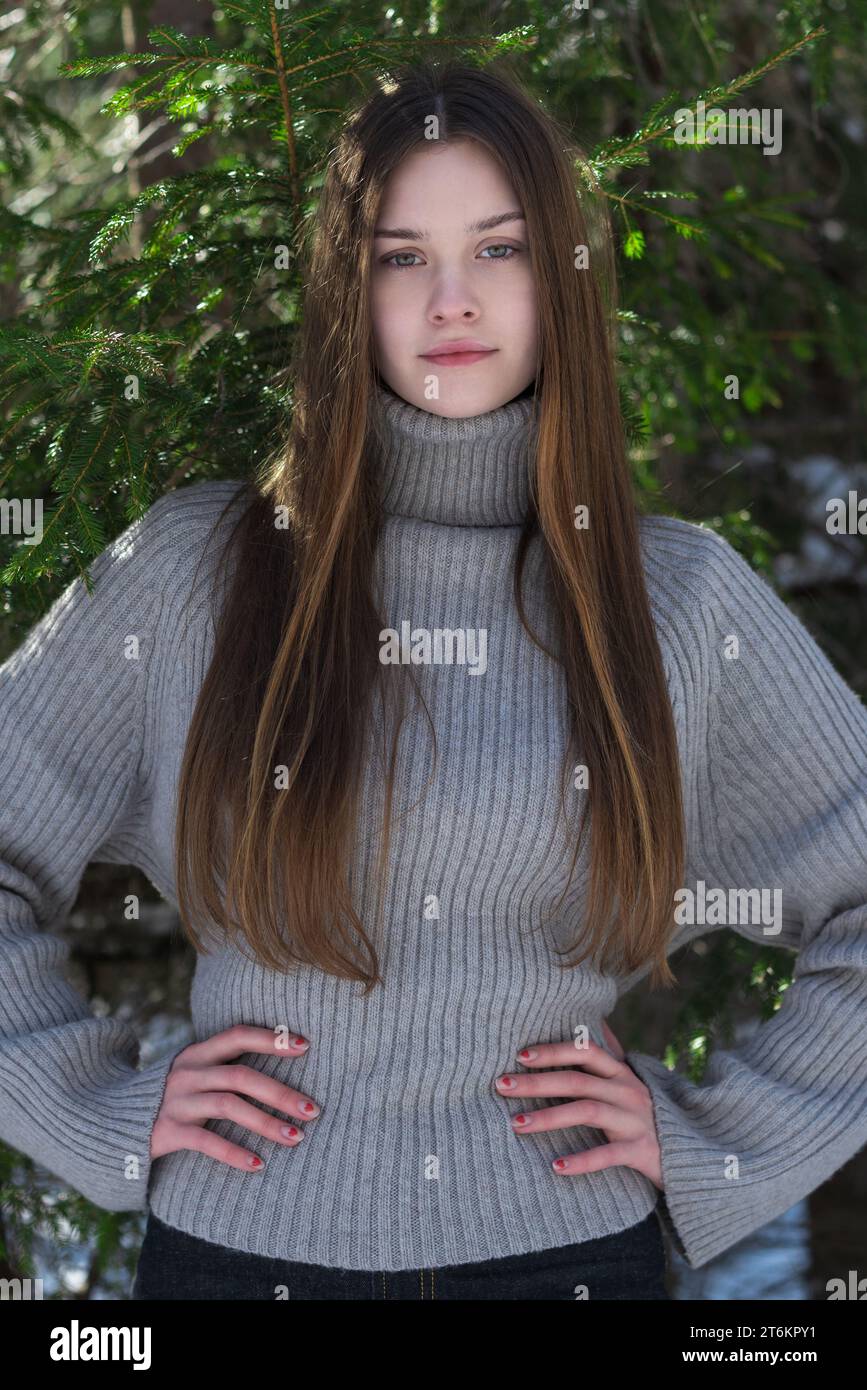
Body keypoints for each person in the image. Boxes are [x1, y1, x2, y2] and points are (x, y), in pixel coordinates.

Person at [1, 58, 866, 1303]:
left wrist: (724, 1141)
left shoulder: (676, 600)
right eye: (402, 256)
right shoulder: (197, 572)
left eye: (500, 249)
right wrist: (86, 1103)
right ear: (349, 292)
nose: (451, 299)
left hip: (569, 1260)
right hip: (239, 1261)